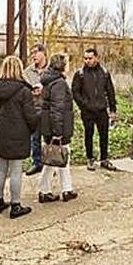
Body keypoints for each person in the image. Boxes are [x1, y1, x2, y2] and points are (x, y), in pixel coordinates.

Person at [0, 56, 38, 218]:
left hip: (0, 133)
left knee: (1, 169)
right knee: (16, 171)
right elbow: (30, 117)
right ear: (19, 69)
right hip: (18, 134)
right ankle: (16, 206)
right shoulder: (24, 91)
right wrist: (32, 127)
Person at [38, 53, 78, 202]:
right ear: (62, 65)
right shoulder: (59, 83)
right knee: (60, 156)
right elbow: (57, 109)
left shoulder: (50, 81)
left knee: (55, 157)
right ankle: (50, 190)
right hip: (57, 127)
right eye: (67, 63)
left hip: (50, 126)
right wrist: (58, 133)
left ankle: (61, 189)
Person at [71, 47, 117, 171]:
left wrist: (113, 109)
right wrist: (83, 105)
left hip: (102, 110)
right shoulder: (80, 74)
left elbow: (110, 91)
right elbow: (75, 92)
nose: (87, 61)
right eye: (85, 58)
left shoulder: (104, 72)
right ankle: (90, 158)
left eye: (90, 58)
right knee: (89, 135)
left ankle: (104, 159)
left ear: (96, 58)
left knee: (104, 135)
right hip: (88, 111)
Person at [23, 44, 48, 176]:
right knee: (35, 138)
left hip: (48, 108)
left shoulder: (52, 70)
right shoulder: (27, 72)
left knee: (48, 138)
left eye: (35, 52)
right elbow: (23, 88)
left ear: (43, 53)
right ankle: (37, 163)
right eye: (31, 53)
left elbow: (60, 88)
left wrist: (44, 90)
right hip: (34, 108)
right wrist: (31, 91)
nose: (33, 56)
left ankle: (50, 164)